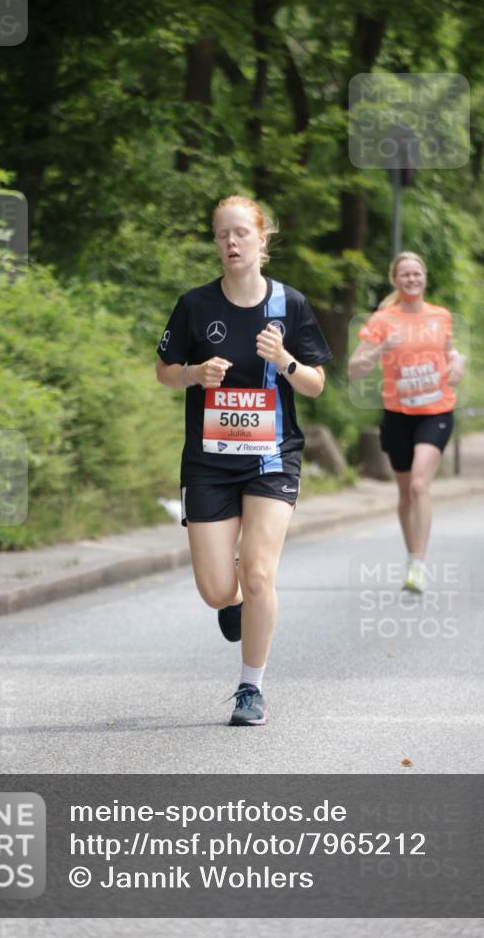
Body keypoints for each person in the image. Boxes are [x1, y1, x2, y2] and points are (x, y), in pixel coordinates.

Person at [155, 195, 331, 726]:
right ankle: (236, 604)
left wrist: (285, 360)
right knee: (217, 590)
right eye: (222, 235)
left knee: (257, 575)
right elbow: (164, 368)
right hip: (208, 462)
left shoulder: (289, 304)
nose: (231, 243)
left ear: (262, 240)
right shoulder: (195, 305)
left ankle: (251, 688)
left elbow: (317, 384)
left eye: (241, 234)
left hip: (272, 457)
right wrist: (192, 374)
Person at [348, 251, 466, 592]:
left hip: (437, 411)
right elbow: (355, 369)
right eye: (405, 275)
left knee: (418, 485)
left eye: (417, 273)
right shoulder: (383, 319)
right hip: (398, 415)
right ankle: (411, 553)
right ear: (395, 280)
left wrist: (457, 363)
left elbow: (450, 354)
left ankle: (418, 564)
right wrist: (381, 347)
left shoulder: (440, 316)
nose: (412, 279)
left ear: (425, 277)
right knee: (404, 493)